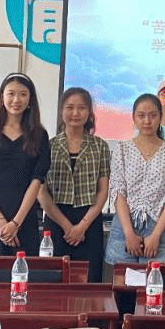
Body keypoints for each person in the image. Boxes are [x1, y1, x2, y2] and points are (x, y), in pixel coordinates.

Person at [0, 73, 50, 256]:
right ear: (2, 97)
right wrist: (1, 222)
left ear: (30, 99)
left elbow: (37, 181)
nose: (16, 100)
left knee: (23, 272)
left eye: (23, 94)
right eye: (11, 93)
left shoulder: (39, 136)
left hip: (24, 221)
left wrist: (15, 223)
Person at [37, 87, 111, 281]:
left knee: (90, 281)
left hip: (89, 221)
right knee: (55, 281)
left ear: (89, 112)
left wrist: (81, 227)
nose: (75, 113)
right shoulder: (48, 146)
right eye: (70, 107)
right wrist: (67, 226)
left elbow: (103, 191)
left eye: (81, 108)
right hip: (56, 220)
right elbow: (41, 192)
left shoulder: (100, 146)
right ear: (61, 111)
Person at [106, 94, 165, 265]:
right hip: (125, 227)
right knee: (122, 280)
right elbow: (118, 191)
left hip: (159, 228)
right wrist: (129, 233)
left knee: (157, 279)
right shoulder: (122, 149)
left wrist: (155, 235)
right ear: (133, 118)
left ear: (160, 117)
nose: (147, 121)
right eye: (141, 116)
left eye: (153, 115)